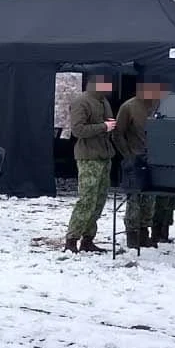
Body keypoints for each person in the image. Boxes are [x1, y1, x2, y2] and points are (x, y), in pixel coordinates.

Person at [63, 74, 116, 253]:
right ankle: (72, 239)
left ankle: (88, 239)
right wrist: (103, 127)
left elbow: (106, 123)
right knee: (86, 200)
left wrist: (111, 126)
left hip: (104, 155)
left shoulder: (103, 102)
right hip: (88, 157)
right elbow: (77, 130)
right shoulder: (82, 102)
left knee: (99, 200)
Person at [113, 79, 168, 250]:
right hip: (135, 158)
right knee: (134, 198)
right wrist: (127, 155)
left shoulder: (159, 105)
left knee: (150, 199)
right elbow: (118, 134)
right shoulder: (128, 107)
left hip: (154, 158)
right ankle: (132, 233)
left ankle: (144, 232)